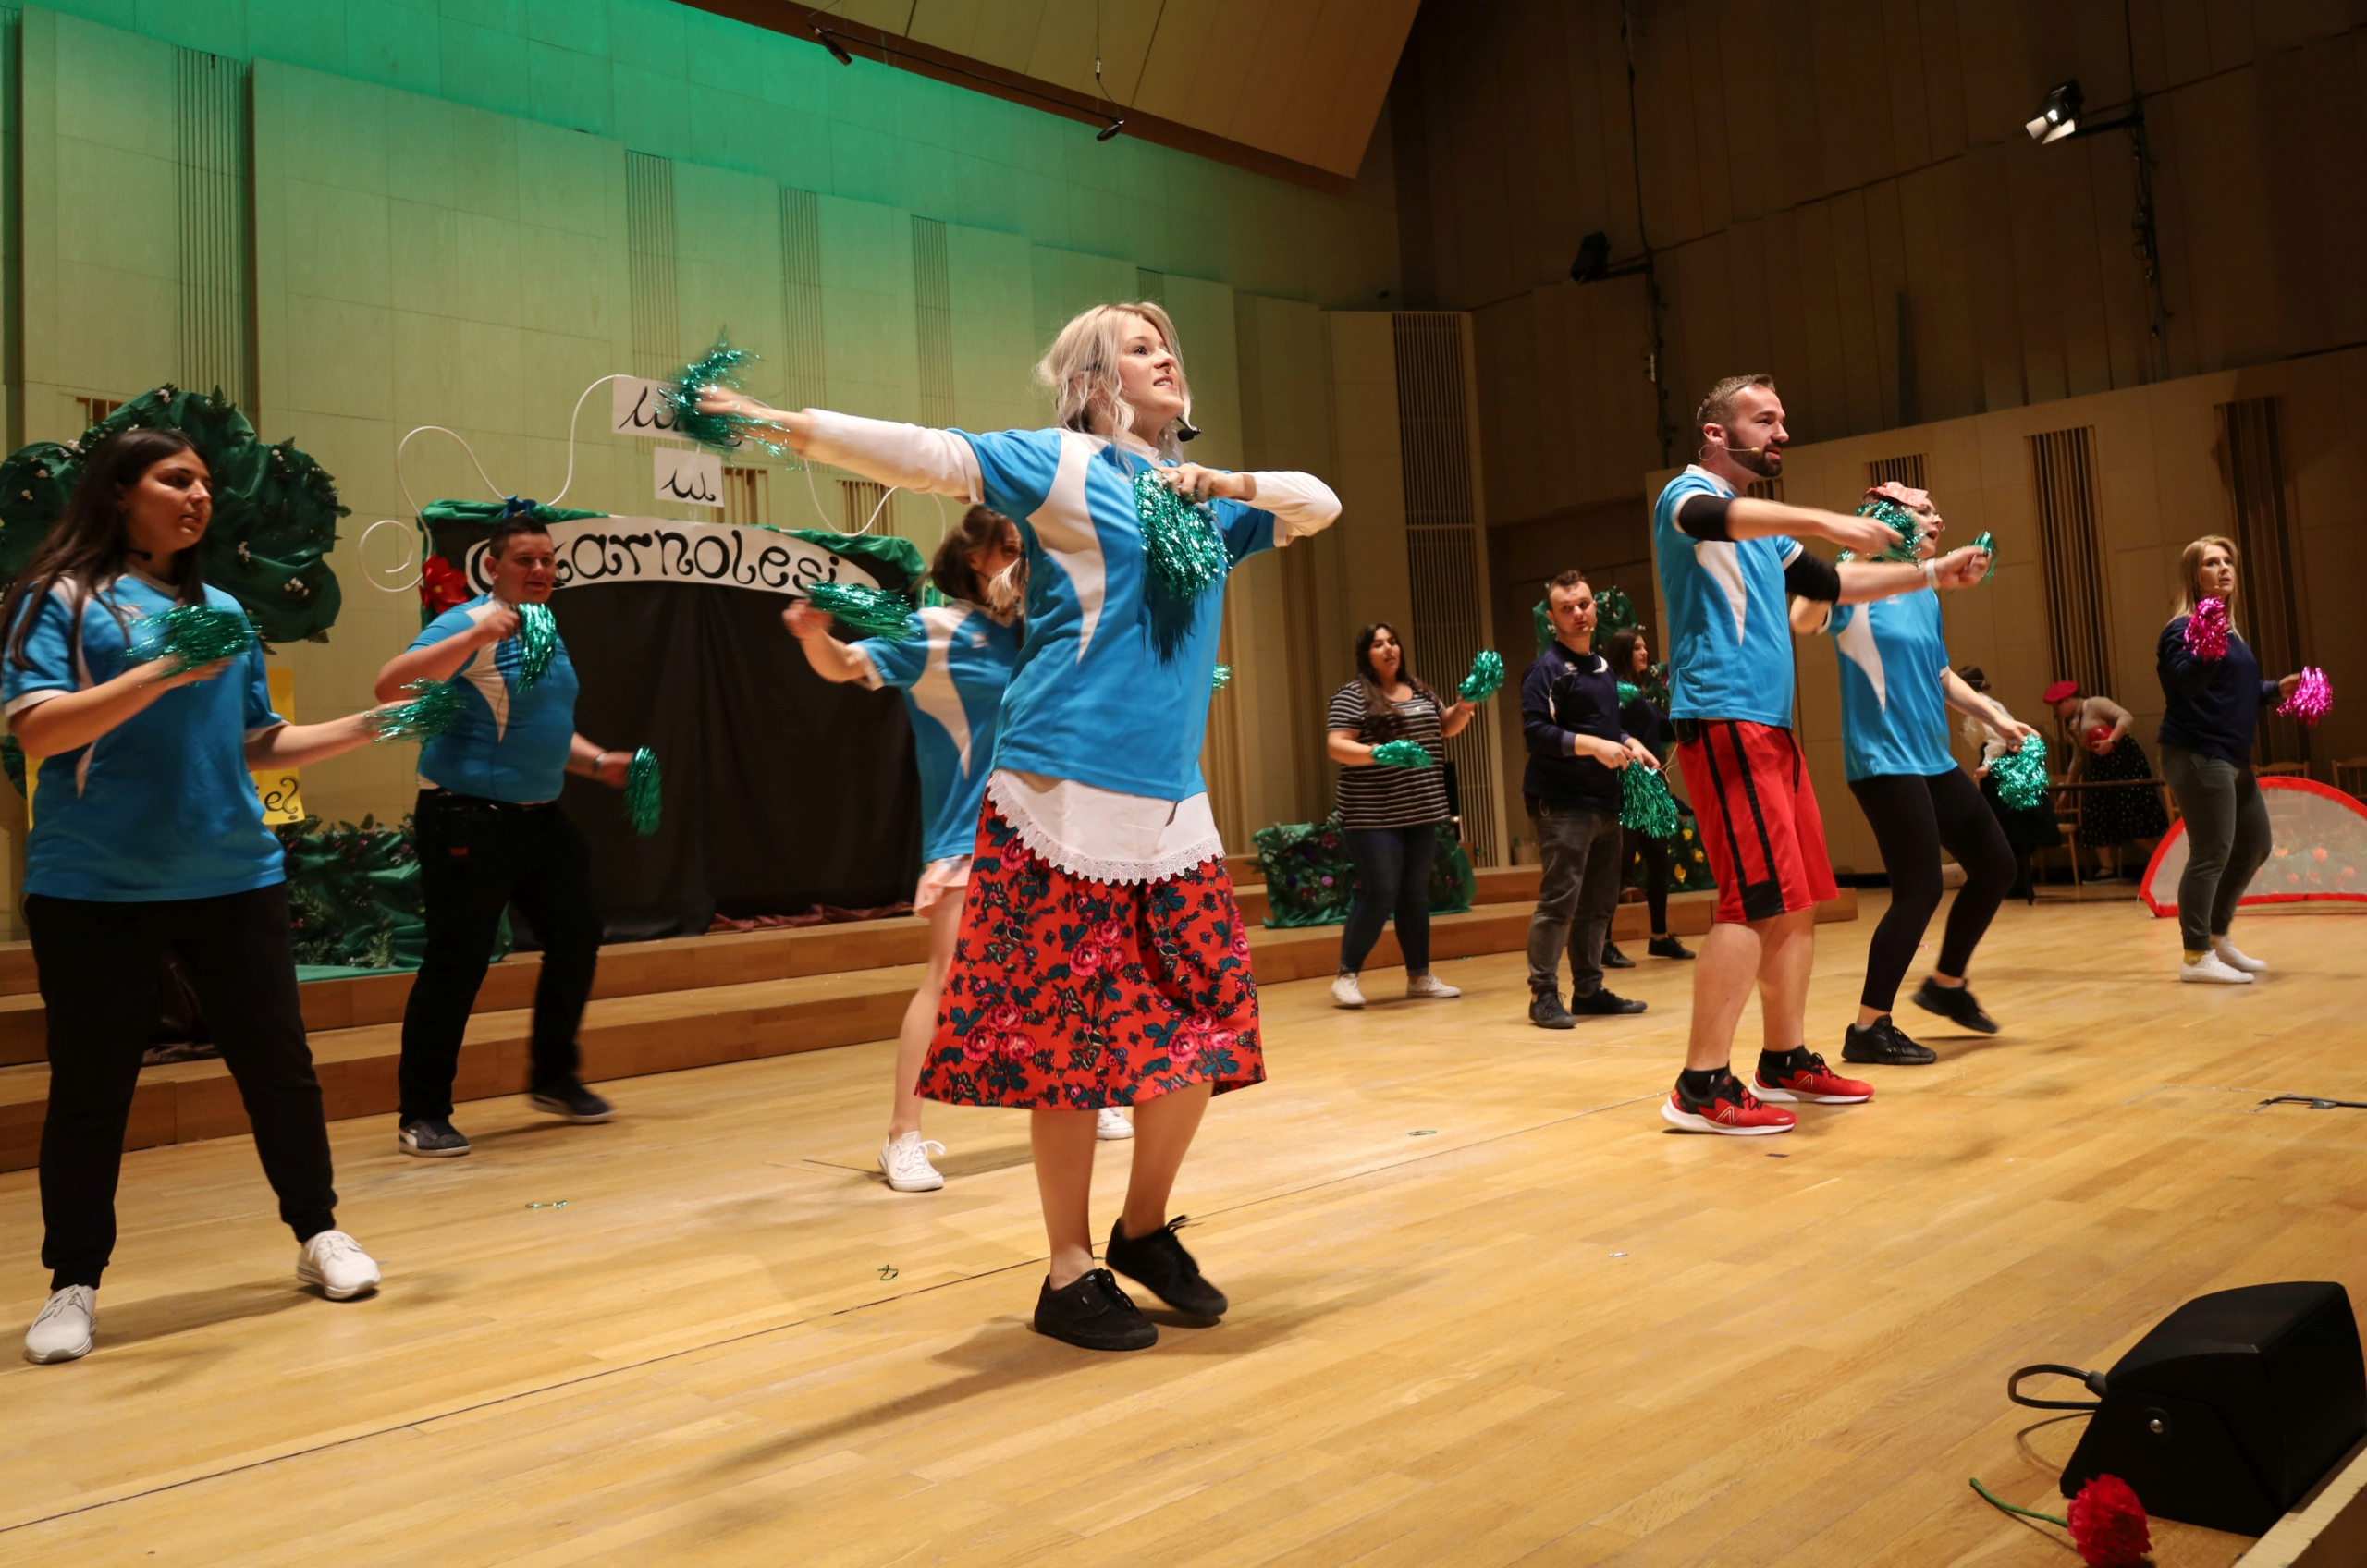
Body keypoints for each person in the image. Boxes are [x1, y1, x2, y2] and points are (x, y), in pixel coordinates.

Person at [699, 300, 1339, 1350]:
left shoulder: (1202, 503)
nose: (1164, 357)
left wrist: (1224, 484)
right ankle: (1067, 1268)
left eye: (1167, 345)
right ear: (1092, 382)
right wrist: (780, 423)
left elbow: (1321, 502)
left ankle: (1143, 1230)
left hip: (1171, 802)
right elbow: (926, 454)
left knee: (1209, 1028)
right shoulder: (1062, 465)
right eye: (1139, 347)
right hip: (1059, 792)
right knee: (1073, 1048)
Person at [6, 428, 386, 1365]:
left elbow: (257, 741)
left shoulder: (223, 609)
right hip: (94, 887)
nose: (199, 496)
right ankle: (73, 1282)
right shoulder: (60, 598)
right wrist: (167, 666)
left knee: (279, 1069)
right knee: (92, 1090)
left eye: (206, 483)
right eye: (176, 479)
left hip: (233, 877)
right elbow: (40, 731)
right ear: (119, 491)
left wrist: (373, 724)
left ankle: (318, 1231)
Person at [1653, 374, 1993, 1135]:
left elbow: (1831, 583)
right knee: (1752, 901)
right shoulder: (1686, 493)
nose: (1781, 432)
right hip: (1722, 719)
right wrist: (1828, 519)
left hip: (1769, 728)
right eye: (1764, 419)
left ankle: (1784, 1060)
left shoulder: (1767, 534)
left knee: (1799, 897)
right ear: (1716, 433)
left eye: (1782, 421)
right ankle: (1700, 1085)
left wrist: (1932, 572)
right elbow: (1713, 518)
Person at [786, 507, 1127, 1185]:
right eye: (1013, 548)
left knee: (1068, 971)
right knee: (947, 979)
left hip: (1051, 834)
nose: (1026, 561)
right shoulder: (934, 631)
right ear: (977, 558)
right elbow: (846, 664)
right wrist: (813, 636)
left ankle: (1086, 1093)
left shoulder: (1039, 633)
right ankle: (902, 1137)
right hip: (970, 836)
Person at [374, 511, 636, 1158]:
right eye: (525, 559)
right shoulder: (468, 622)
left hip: (538, 821)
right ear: (492, 567)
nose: (540, 570)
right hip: (466, 818)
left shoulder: (542, 626)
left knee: (577, 934)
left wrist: (599, 762)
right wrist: (474, 634)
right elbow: (389, 686)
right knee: (456, 963)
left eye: (547, 559)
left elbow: (540, 729)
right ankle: (422, 1114)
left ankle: (553, 1078)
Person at [1792, 484, 2025, 1064]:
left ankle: (1945, 985)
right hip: (1882, 759)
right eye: (1924, 510)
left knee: (1997, 865)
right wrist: (1857, 551)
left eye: (1937, 509)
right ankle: (1868, 1028)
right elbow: (1802, 618)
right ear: (1887, 518)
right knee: (1919, 889)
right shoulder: (1853, 580)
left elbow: (1940, 674)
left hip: (1931, 758)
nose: (1937, 517)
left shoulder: (1924, 589)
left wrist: (1995, 716)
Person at [2155, 536, 2303, 985]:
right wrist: (2208, 644)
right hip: (2197, 754)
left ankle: (2217, 936)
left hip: (2233, 757)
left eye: (2228, 562)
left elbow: (2235, 689)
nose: (2224, 569)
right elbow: (2186, 685)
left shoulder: (2231, 632)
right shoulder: (2180, 629)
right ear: (2193, 575)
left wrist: (2276, 689)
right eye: (2211, 563)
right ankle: (2195, 955)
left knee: (2255, 844)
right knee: (2210, 853)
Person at [1520, 571, 1655, 1028]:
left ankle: (1589, 990)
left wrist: (1628, 741)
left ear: (1594, 607)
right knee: (1559, 900)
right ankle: (1543, 995)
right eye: (1567, 608)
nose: (1578, 613)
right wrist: (1594, 746)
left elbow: (1604, 726)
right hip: (1561, 801)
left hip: (1603, 800)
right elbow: (1536, 733)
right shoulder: (1546, 670)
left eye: (1583, 604)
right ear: (1553, 617)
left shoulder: (1600, 667)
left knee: (1599, 902)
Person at [1323, 622, 1474, 1009]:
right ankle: (1346, 976)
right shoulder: (1352, 695)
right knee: (1379, 891)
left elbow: (1445, 728)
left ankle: (1419, 976)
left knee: (1414, 894)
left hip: (1421, 808)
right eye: (1378, 644)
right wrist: (1380, 752)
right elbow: (1337, 745)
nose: (1388, 648)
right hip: (1371, 812)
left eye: (1392, 642)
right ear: (1366, 654)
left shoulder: (1420, 690)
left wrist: (1466, 704)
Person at [1600, 625, 1694, 965]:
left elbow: (1659, 727)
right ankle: (1602, 942)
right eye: (1637, 648)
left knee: (1658, 861)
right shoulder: (1617, 691)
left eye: (1645, 647)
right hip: (1628, 786)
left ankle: (1659, 937)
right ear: (1623, 653)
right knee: (1619, 866)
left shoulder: (1636, 692)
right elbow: (1614, 730)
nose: (1645, 653)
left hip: (1650, 787)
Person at [2043, 678, 2168, 879]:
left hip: (2123, 762)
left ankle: (2162, 864)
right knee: (2096, 814)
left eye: (2056, 708)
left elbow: (2125, 717)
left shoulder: (2095, 704)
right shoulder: (2075, 723)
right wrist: (2066, 790)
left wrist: (2111, 741)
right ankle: (2107, 869)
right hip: (2101, 766)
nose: (2056, 713)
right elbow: (2078, 759)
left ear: (2066, 700)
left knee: (2133, 815)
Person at [1958, 666, 2062, 901]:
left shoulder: (1983, 706)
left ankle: (2017, 883)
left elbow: (1997, 740)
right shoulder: (1983, 704)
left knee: (2009, 826)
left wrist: (1987, 764)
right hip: (2005, 764)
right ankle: (2016, 882)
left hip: (2001, 765)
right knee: (2011, 826)